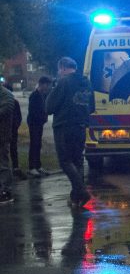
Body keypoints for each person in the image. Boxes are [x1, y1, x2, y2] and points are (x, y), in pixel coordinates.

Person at [46, 57, 95, 207]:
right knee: (77, 160)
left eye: (59, 70)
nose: (59, 73)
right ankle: (76, 198)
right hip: (81, 125)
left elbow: (49, 107)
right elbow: (91, 107)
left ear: (63, 67)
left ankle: (82, 191)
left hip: (64, 126)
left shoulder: (64, 82)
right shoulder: (87, 83)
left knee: (65, 161)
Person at [27, 76, 52, 178]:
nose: (48, 87)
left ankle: (38, 165)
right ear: (42, 84)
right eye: (47, 84)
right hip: (34, 123)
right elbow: (33, 111)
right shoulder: (34, 95)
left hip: (39, 123)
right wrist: (42, 116)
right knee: (34, 143)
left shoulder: (42, 95)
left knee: (38, 144)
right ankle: (32, 167)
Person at [0, 84, 15, 204]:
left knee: (2, 163)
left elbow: (6, 109)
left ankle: (6, 191)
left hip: (2, 134)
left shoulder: (6, 94)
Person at [7, 86, 26, 180]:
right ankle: (6, 169)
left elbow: (19, 116)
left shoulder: (15, 103)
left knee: (13, 149)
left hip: (13, 129)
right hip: (5, 130)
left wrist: (16, 125)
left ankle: (15, 167)